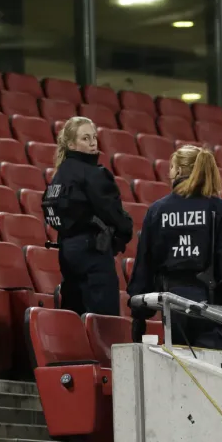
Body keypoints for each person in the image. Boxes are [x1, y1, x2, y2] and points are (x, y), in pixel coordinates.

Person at [127, 146, 222, 349]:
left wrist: (139, 314)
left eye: (170, 168)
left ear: (178, 171)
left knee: (179, 367)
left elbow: (145, 263)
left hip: (172, 305)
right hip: (210, 305)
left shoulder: (157, 211)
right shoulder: (218, 209)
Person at [43, 116, 132, 316]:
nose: (92, 143)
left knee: (74, 317)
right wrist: (125, 230)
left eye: (94, 137)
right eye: (85, 138)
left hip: (67, 253)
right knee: (103, 321)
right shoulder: (93, 173)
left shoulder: (59, 175)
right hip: (93, 253)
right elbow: (113, 214)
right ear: (72, 143)